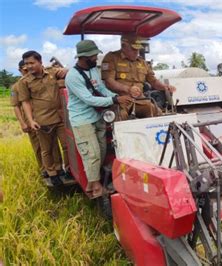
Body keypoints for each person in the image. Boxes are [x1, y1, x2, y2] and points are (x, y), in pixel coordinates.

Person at [65, 40, 133, 198]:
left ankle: (93, 182)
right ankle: (95, 188)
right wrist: (114, 101)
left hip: (97, 115)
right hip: (82, 120)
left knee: (102, 151)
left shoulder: (93, 70)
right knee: (92, 153)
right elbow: (88, 99)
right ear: (85, 57)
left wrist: (116, 96)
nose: (97, 58)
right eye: (94, 56)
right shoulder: (73, 77)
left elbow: (101, 89)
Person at [17, 51, 71, 186]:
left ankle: (69, 170)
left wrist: (66, 70)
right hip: (42, 120)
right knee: (47, 149)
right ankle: (53, 173)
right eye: (26, 64)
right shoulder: (24, 82)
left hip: (60, 117)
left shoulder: (52, 72)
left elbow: (67, 72)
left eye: (32, 63)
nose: (29, 66)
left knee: (66, 145)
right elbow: (25, 102)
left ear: (40, 62)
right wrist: (30, 121)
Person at [101, 34, 176, 120]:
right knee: (119, 117)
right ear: (123, 46)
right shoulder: (112, 58)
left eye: (138, 49)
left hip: (140, 100)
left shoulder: (142, 62)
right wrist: (128, 89)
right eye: (133, 49)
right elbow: (109, 82)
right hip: (120, 100)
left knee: (157, 113)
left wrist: (164, 87)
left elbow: (153, 81)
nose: (137, 52)